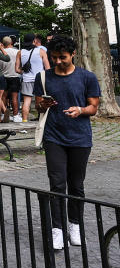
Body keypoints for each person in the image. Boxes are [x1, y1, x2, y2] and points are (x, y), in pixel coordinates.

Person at [34, 35, 100, 250]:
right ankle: (57, 229)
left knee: (76, 185)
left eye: (62, 57)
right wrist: (43, 104)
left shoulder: (87, 77)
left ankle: (75, 225)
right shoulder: (43, 76)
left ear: (73, 55)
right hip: (54, 137)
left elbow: (93, 107)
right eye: (54, 57)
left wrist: (80, 110)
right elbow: (39, 106)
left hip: (80, 137)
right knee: (57, 183)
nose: (58, 61)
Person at [17, 33, 51, 123]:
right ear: (34, 41)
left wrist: (24, 71)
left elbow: (17, 69)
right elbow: (47, 68)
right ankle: (41, 120)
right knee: (40, 101)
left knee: (26, 101)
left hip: (26, 79)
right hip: (39, 79)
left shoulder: (20, 52)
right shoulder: (41, 51)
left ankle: (24, 121)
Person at [1, 37, 23, 122]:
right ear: (11, 43)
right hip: (15, 76)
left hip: (4, 76)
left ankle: (3, 114)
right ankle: (15, 115)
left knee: (4, 96)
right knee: (14, 97)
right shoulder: (17, 52)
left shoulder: (0, 52)